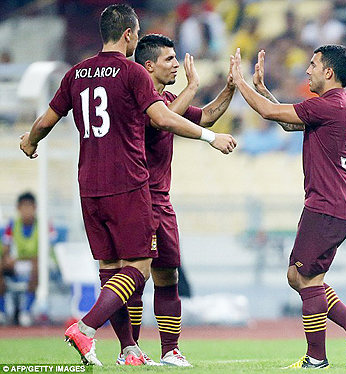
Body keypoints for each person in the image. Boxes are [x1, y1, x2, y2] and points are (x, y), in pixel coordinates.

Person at [19, 4, 236, 367]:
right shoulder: (132, 73)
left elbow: (47, 119)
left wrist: (31, 141)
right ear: (129, 34)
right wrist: (209, 137)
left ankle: (130, 349)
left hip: (89, 184)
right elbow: (162, 119)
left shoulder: (76, 73)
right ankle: (86, 328)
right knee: (139, 266)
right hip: (129, 183)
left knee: (111, 268)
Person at [231, 45, 346, 369]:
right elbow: (289, 122)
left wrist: (238, 82)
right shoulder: (338, 106)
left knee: (301, 276)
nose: (307, 71)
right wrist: (263, 90)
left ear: (329, 72)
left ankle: (317, 358)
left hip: (327, 205)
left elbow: (272, 115)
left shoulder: (328, 106)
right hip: (335, 205)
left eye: (312, 65)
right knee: (304, 277)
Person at [111, 33, 236, 367]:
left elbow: (205, 117)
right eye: (169, 59)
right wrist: (192, 87)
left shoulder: (167, 99)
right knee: (136, 276)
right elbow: (159, 122)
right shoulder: (134, 97)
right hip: (138, 198)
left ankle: (169, 351)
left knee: (168, 275)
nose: (177, 64)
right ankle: (130, 349)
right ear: (148, 64)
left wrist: (231, 88)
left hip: (161, 200)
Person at [0, 192, 56, 326]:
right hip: (20, 263)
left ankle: (26, 311)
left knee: (37, 265)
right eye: (23, 207)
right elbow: (6, 248)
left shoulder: (44, 225)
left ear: (35, 208)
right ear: (18, 208)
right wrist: (6, 259)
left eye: (29, 207)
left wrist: (20, 259)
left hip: (43, 264)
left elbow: (47, 251)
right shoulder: (12, 224)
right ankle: (2, 311)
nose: (26, 211)